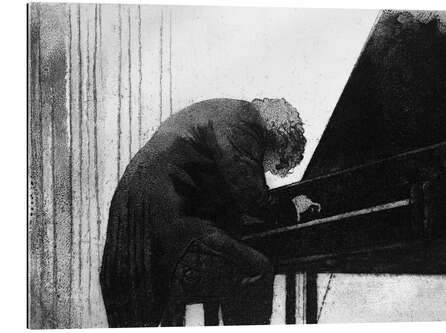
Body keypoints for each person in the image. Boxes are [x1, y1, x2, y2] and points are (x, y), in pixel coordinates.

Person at [99, 98, 320, 327]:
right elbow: (253, 199)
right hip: (165, 230)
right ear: (279, 141)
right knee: (255, 270)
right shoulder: (244, 121)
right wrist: (291, 208)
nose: (266, 169)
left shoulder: (221, 116)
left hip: (136, 234)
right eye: (277, 163)